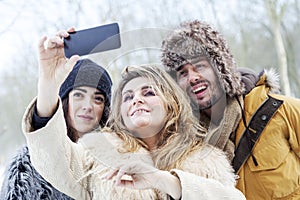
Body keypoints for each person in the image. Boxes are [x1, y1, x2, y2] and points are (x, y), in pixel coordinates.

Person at [20, 29, 246, 199]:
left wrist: (165, 181)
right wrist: (48, 84)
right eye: (127, 97)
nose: (136, 99)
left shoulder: (206, 160)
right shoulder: (99, 156)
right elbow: (53, 158)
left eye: (148, 92)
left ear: (172, 104)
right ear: (121, 114)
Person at [161, 19, 300, 200]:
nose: (193, 78)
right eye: (183, 73)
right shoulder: (184, 144)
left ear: (221, 68)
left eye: (200, 66)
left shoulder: (280, 110)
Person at [0, 58, 112, 200]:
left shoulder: (114, 160)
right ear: (64, 100)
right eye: (78, 95)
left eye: (98, 99)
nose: (88, 106)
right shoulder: (29, 166)